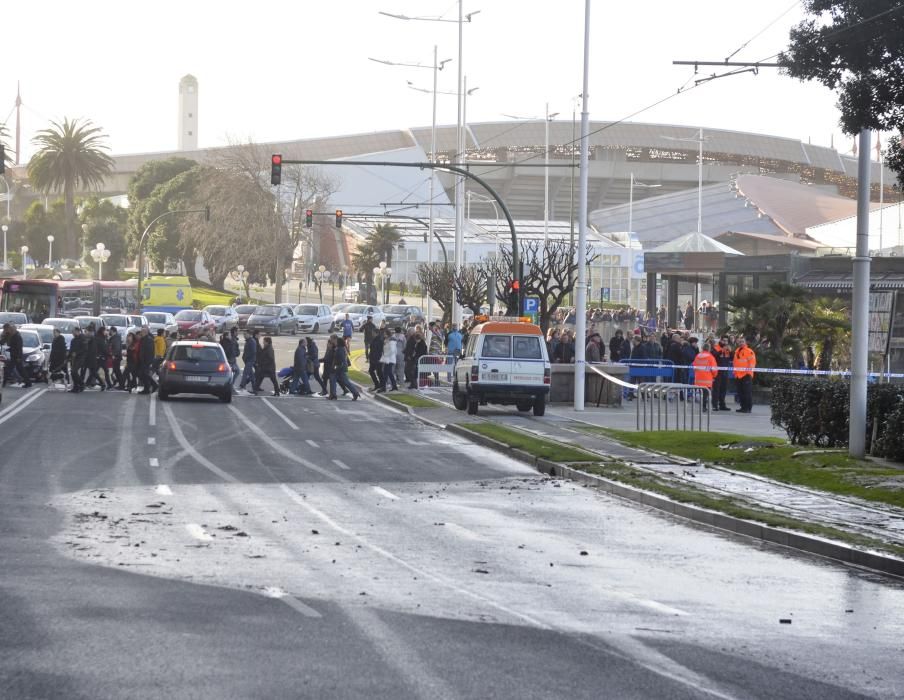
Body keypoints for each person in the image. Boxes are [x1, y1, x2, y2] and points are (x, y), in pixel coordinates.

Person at [1, 324, 31, 388]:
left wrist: (19, 357)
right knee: (18, 369)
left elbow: (19, 348)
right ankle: (28, 382)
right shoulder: (10, 335)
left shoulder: (17, 336)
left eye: (5, 329)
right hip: (13, 355)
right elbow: (2, 342)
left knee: (10, 369)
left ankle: (3, 383)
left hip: (17, 356)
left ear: (9, 328)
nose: (5, 331)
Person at [332, 334, 360, 400]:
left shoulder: (340, 349)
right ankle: (333, 394)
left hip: (340, 368)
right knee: (336, 380)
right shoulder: (340, 348)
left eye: (336, 342)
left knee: (345, 382)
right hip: (340, 367)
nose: (335, 343)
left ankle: (355, 392)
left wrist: (337, 367)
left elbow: (341, 360)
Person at [692, 341, 718, 411]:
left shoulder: (698, 356)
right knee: (706, 394)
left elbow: (694, 366)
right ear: (709, 349)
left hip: (698, 378)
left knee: (701, 393)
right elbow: (714, 369)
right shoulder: (710, 357)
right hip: (707, 379)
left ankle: (702, 406)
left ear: (702, 348)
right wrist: (714, 376)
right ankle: (704, 407)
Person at [733, 337, 756, 413]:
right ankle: (743, 407)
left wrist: (748, 373)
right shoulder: (736, 351)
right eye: (739, 342)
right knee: (740, 392)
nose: (741, 343)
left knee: (747, 392)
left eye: (742, 341)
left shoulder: (749, 351)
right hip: (738, 375)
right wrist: (735, 372)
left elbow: (752, 363)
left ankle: (748, 408)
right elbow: (735, 363)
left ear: (745, 342)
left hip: (746, 375)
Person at [712, 335, 733, 410]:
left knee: (723, 389)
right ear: (720, 340)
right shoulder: (716, 348)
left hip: (725, 372)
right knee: (716, 389)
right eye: (724, 340)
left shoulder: (728, 349)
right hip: (717, 372)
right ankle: (714, 405)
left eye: (726, 341)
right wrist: (722, 350)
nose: (725, 342)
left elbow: (732, 358)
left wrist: (731, 351)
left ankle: (722, 405)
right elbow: (713, 356)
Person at [137, 327, 157, 394]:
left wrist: (147, 361)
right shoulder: (143, 339)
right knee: (142, 374)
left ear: (145, 332)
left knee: (144, 374)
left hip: (146, 361)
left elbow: (149, 351)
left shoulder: (149, 340)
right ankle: (148, 388)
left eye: (142, 332)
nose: (140, 333)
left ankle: (153, 385)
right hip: (142, 360)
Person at [379, 328, 399, 392]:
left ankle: (383, 387)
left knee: (385, 373)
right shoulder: (387, 340)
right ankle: (394, 386)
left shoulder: (391, 341)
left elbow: (393, 350)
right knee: (389, 373)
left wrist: (386, 355)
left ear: (388, 334)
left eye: (385, 334)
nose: (384, 335)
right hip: (388, 359)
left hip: (389, 360)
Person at [368, 326, 384, 391]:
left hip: (377, 358)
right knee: (372, 371)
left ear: (376, 333)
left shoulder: (379, 340)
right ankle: (377, 384)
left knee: (379, 372)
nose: (372, 334)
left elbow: (377, 349)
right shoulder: (375, 339)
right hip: (373, 358)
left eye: (373, 333)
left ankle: (381, 385)